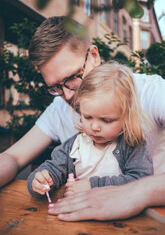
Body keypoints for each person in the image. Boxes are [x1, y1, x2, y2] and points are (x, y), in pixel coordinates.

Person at [0, 16, 165, 221]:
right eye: (55, 87)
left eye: (71, 77)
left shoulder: (151, 91)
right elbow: (13, 157)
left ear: (94, 55)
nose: (68, 96)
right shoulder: (59, 108)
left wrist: (138, 193)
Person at [27, 63, 153, 197]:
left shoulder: (132, 144)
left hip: (119, 217)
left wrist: (93, 186)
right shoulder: (74, 146)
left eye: (106, 120)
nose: (94, 127)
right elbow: (54, 168)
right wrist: (41, 180)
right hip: (79, 214)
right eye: (87, 117)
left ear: (127, 116)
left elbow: (141, 182)